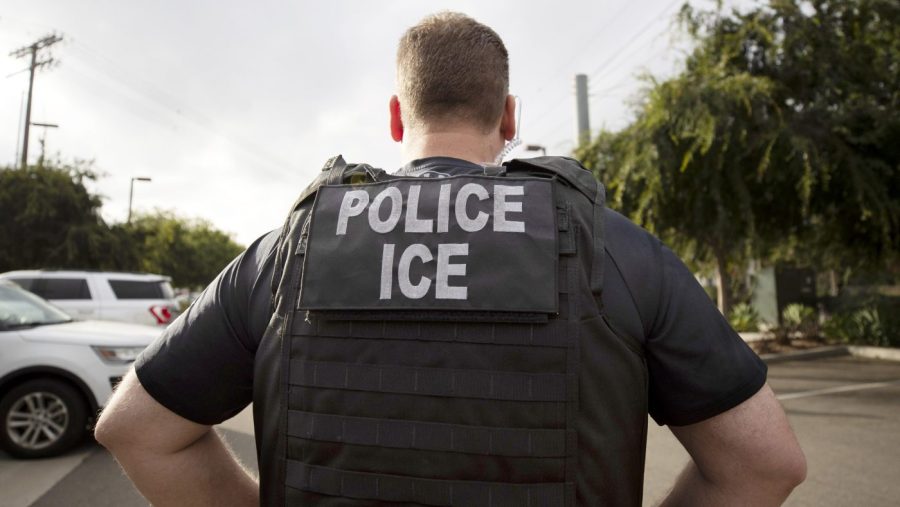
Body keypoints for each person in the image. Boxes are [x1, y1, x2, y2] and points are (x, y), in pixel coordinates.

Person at [96, 11, 806, 507]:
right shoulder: (614, 246)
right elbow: (764, 463)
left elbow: (135, 429)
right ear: (509, 119)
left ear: (398, 118)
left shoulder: (291, 249)